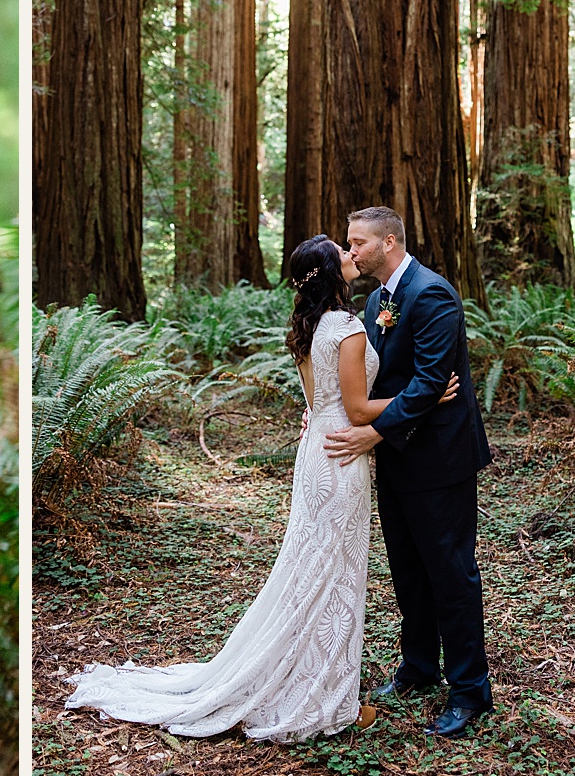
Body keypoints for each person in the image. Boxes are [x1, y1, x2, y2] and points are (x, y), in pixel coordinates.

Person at [65, 234, 458, 742]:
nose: (350, 254)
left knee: (311, 570)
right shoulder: (346, 326)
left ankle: (308, 680)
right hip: (342, 460)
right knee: (333, 577)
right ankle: (325, 699)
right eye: (342, 251)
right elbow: (358, 410)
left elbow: (320, 403)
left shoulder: (309, 324)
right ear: (329, 271)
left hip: (318, 453)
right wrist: (422, 397)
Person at [321, 205, 493, 737]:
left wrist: (375, 431)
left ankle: (469, 692)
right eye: (349, 244)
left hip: (440, 459)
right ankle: (418, 667)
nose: (350, 253)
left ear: (389, 242)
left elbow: (430, 381)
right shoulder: (377, 300)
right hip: (397, 459)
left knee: (451, 573)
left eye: (357, 243)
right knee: (408, 571)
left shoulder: (433, 293)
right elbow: (380, 382)